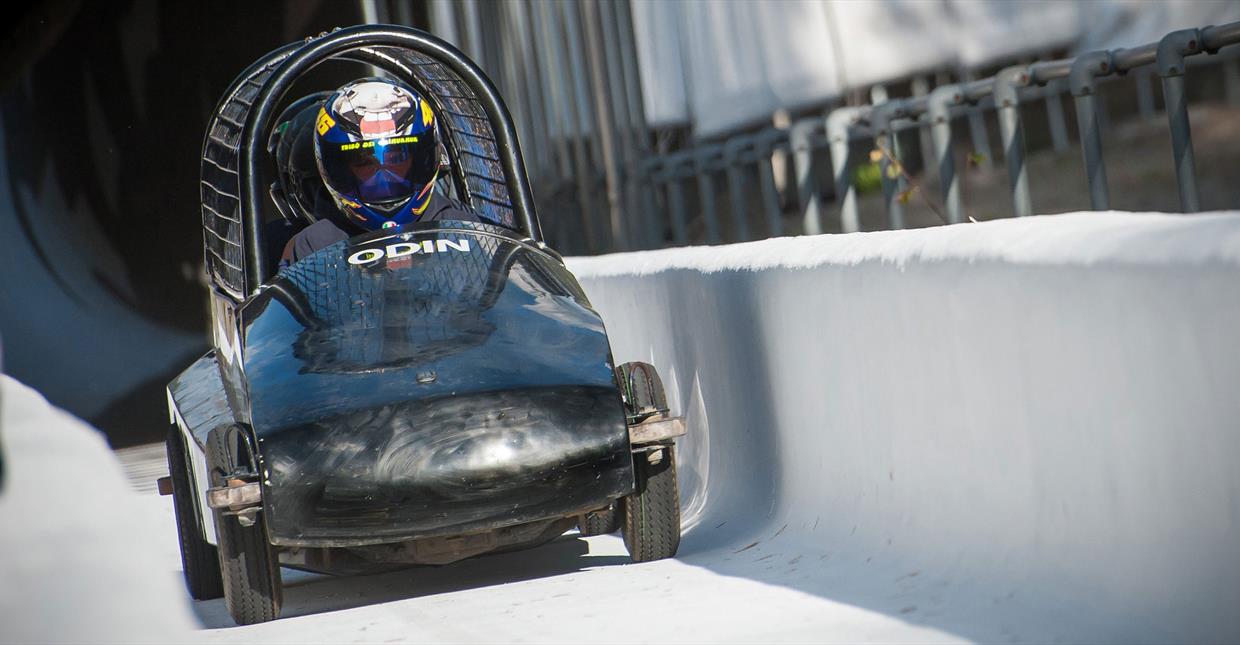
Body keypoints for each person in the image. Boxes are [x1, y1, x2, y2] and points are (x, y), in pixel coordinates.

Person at [270, 78, 479, 268]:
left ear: (425, 159)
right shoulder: (315, 244)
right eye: (364, 162)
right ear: (337, 170)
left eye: (396, 159)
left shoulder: (460, 226)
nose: (384, 177)